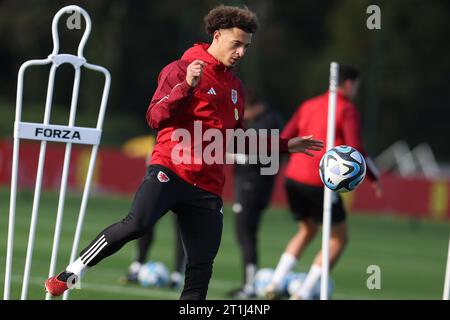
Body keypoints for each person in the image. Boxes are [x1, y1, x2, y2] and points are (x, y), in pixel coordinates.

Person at [44, 5, 323, 300]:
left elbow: (237, 139)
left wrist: (284, 144)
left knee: (200, 268)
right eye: (236, 44)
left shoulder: (236, 87)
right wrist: (186, 86)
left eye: (246, 46)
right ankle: (73, 271)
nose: (241, 52)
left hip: (208, 185)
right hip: (170, 168)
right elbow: (154, 117)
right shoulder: (181, 68)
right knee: (137, 224)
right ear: (217, 36)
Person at [264, 65, 382, 300]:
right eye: (356, 86)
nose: (356, 91)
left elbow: (286, 135)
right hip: (321, 182)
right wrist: (374, 177)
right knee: (339, 238)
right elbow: (355, 150)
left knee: (307, 230)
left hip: (293, 178)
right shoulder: (346, 109)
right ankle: (304, 292)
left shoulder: (308, 104)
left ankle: (274, 284)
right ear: (348, 84)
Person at [227, 90, 283, 299]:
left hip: (253, 186)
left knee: (245, 235)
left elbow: (257, 156)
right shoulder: (270, 120)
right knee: (247, 235)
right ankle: (248, 283)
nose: (245, 117)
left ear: (255, 107)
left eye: (246, 111)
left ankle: (249, 285)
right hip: (255, 186)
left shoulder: (267, 123)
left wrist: (227, 153)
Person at [120, 139, 186, 288]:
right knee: (144, 220)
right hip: (162, 171)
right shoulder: (166, 122)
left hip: (185, 177)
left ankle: (177, 275)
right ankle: (137, 265)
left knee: (182, 227)